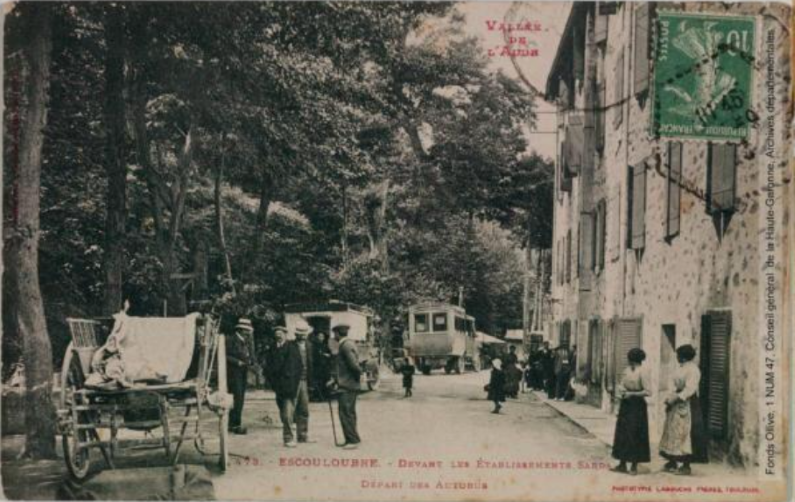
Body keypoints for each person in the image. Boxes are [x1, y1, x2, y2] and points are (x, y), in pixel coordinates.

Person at [659, 344, 708, 475]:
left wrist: (677, 398)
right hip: (676, 401)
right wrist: (670, 396)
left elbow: (690, 389)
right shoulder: (680, 368)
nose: (677, 358)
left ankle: (686, 465)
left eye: (678, 356)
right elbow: (673, 383)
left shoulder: (693, 370)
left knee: (686, 434)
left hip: (688, 403)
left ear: (684, 357)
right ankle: (672, 461)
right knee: (672, 431)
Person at [266, 322, 313, 447]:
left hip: (304, 381)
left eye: (304, 334)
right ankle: (288, 437)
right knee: (288, 411)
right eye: (300, 334)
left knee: (304, 410)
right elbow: (276, 366)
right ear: (296, 334)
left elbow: (312, 364)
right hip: (290, 383)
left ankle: (302, 435)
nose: (303, 336)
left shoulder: (309, 346)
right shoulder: (287, 346)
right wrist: (279, 383)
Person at [610, 348, 651, 475]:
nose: (629, 362)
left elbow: (648, 391)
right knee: (622, 433)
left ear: (635, 360)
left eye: (631, 359)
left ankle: (634, 465)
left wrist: (632, 394)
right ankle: (622, 463)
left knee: (635, 434)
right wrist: (621, 389)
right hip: (626, 405)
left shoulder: (643, 371)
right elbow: (622, 383)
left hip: (637, 406)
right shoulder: (627, 370)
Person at [334, 323, 362, 450]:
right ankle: (352, 438)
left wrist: (355, 378)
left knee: (346, 413)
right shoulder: (349, 344)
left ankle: (352, 440)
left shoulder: (345, 345)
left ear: (338, 333)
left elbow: (354, 366)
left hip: (347, 385)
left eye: (335, 333)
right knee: (348, 412)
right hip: (349, 384)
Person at [226, 318, 256, 435]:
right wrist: (237, 362)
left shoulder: (246, 341)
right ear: (241, 330)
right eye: (247, 331)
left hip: (243, 371)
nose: (249, 333)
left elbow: (250, 355)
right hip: (233, 373)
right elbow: (224, 355)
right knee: (236, 397)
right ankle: (234, 424)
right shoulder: (231, 340)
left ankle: (235, 423)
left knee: (241, 398)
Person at [311, 330, 332, 401]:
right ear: (317, 337)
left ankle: (325, 396)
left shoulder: (325, 346)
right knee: (318, 382)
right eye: (320, 336)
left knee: (325, 381)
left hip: (325, 367)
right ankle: (318, 396)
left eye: (322, 336)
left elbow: (330, 355)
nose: (321, 338)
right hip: (317, 367)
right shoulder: (314, 346)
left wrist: (327, 355)